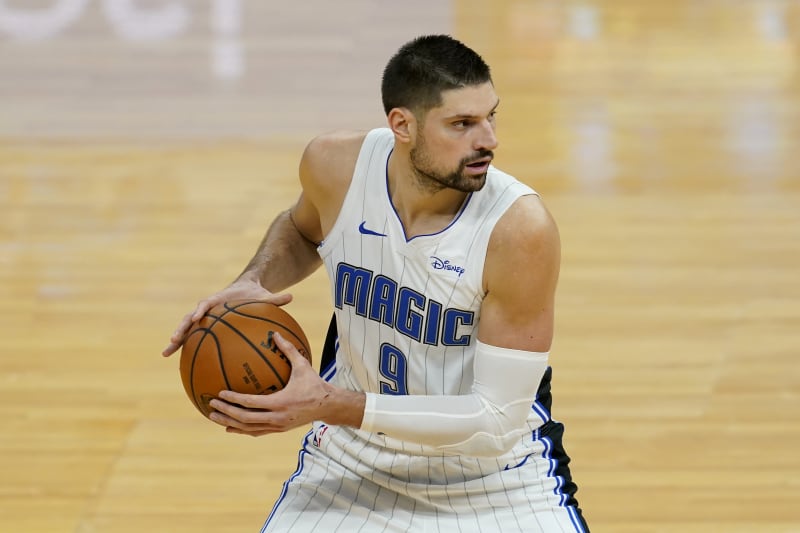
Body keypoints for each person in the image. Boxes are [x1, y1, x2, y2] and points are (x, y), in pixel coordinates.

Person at [163, 34, 589, 533]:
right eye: (462, 124)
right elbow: (303, 228)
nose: (488, 140)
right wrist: (253, 281)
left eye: (491, 116)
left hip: (496, 484)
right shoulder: (336, 168)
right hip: (353, 463)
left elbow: (495, 424)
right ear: (401, 125)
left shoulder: (519, 230)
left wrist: (328, 404)